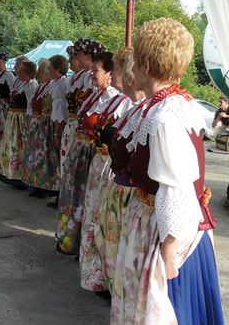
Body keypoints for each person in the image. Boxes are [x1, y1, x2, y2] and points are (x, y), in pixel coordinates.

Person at [111, 18, 224, 324]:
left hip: (171, 237)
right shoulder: (168, 105)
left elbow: (176, 189)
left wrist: (169, 255)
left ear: (146, 65)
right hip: (163, 227)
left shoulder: (165, 117)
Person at [94, 48, 147, 293]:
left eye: (117, 69)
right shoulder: (134, 108)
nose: (114, 75)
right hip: (119, 190)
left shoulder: (146, 111)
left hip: (130, 195)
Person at [56, 50, 118, 256]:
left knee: (87, 202)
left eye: (96, 71)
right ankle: (70, 239)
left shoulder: (114, 100)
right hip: (80, 154)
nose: (92, 74)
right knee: (74, 198)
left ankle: (83, 244)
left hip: (92, 155)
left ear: (110, 74)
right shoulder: (95, 95)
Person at [79, 48, 131, 293]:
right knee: (94, 215)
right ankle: (94, 270)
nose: (92, 75)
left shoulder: (125, 104)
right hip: (99, 164)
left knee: (105, 220)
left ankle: (104, 273)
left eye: (96, 71)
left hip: (112, 170)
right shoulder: (109, 100)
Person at [20, 55, 69, 198]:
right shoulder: (44, 86)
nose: (41, 74)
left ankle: (49, 187)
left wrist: (56, 132)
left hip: (49, 124)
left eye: (44, 71)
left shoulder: (60, 84)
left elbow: (60, 109)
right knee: (38, 156)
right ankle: (38, 184)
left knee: (48, 157)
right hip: (40, 124)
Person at [0, 61, 37, 181]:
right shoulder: (19, 83)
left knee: (18, 146)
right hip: (13, 117)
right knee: (11, 145)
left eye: (21, 71)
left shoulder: (31, 84)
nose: (18, 73)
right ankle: (9, 172)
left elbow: (31, 105)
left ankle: (19, 175)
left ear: (28, 73)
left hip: (21, 118)